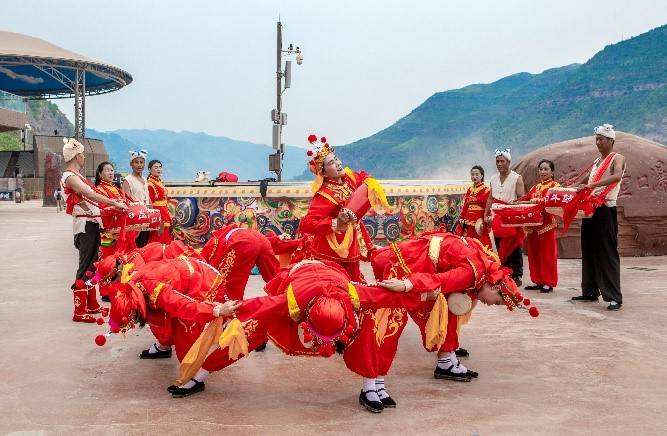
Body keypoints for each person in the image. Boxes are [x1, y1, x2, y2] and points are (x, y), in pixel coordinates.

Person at [171, 259, 437, 410]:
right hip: (299, 277)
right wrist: (226, 309)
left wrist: (415, 287)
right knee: (251, 332)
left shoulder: (355, 296)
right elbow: (259, 306)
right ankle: (200, 375)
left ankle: (371, 387)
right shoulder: (291, 301)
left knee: (369, 325)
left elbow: (397, 297)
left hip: (334, 275)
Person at [371, 232, 538, 384]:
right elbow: (439, 280)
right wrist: (408, 284)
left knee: (449, 310)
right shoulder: (471, 274)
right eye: (495, 302)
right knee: (393, 321)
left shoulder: (484, 269)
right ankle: (373, 382)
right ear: (494, 288)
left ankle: (445, 360)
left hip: (421, 261)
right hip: (406, 265)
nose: (490, 305)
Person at [297, 134, 383, 282]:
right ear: (323, 172)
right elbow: (306, 224)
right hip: (330, 250)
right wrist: (335, 223)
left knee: (354, 283)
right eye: (331, 162)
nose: (337, 163)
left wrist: (369, 184)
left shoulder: (348, 179)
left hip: (351, 244)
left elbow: (363, 178)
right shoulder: (324, 195)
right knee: (336, 284)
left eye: (336, 159)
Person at [60, 138, 126, 322]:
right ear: (77, 155)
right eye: (82, 154)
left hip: (92, 223)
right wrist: (113, 202)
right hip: (85, 224)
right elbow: (89, 194)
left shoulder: (77, 175)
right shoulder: (69, 176)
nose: (83, 157)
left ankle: (90, 302)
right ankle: (79, 310)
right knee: (85, 265)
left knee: (92, 265)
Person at [572, 124, 626, 310]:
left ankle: (614, 297)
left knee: (607, 252)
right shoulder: (597, 161)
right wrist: (572, 188)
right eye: (596, 139)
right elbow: (586, 180)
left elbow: (617, 176)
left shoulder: (617, 158)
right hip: (590, 208)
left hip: (605, 208)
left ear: (611, 141)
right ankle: (590, 291)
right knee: (588, 249)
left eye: (601, 139)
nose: (598, 142)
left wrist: (591, 185)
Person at [199, 223, 281, 301]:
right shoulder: (228, 233)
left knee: (227, 285)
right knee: (274, 276)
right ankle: (286, 300)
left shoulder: (210, 247)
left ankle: (231, 312)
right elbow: (257, 241)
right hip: (261, 238)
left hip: (243, 243)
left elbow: (214, 271)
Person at [484, 148, 525, 285]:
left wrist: (515, 205)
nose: (499, 164)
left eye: (502, 161)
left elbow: (522, 198)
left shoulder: (517, 178)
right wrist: (486, 214)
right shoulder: (493, 179)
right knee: (499, 244)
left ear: (508, 162)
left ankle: (517, 274)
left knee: (513, 245)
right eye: (497, 161)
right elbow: (490, 198)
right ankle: (505, 272)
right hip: (497, 216)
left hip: (511, 215)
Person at [520, 160, 560, 293]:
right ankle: (538, 280)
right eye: (541, 169)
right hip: (533, 226)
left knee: (547, 255)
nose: (543, 172)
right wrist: (516, 202)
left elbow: (555, 202)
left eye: (546, 169)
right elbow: (526, 199)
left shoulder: (555, 186)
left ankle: (548, 282)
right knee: (534, 254)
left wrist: (539, 201)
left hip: (547, 225)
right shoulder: (535, 187)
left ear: (552, 172)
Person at [455, 165, 491, 248]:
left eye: (476, 174)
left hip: (479, 221)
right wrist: (462, 217)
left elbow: (487, 207)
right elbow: (466, 205)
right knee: (468, 241)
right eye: (472, 174)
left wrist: (484, 221)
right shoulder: (469, 189)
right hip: (468, 219)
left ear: (481, 175)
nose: (474, 176)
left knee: (480, 242)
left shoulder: (486, 190)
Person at [122, 149, 151, 247]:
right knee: (135, 246)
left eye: (141, 162)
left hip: (146, 218)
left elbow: (148, 197)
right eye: (136, 162)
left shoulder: (145, 179)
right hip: (135, 219)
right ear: (131, 164)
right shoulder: (128, 180)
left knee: (145, 246)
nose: (139, 165)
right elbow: (127, 200)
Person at [147, 160, 173, 244]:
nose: (159, 169)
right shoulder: (150, 184)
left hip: (165, 213)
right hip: (158, 215)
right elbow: (150, 204)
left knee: (166, 238)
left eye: (160, 167)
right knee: (158, 239)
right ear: (149, 169)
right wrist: (157, 218)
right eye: (156, 167)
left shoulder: (159, 182)